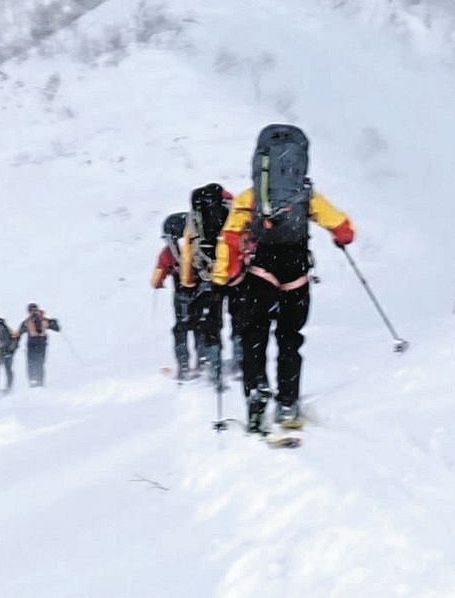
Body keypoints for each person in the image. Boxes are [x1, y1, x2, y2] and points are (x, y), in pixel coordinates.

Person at [212, 124, 354, 432]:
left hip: (261, 269)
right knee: (290, 338)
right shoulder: (306, 195)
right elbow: (343, 226)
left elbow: (230, 237)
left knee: (254, 335)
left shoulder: (249, 197)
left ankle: (256, 395)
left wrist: (222, 278)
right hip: (297, 269)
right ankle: (288, 401)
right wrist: (341, 236)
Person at [180, 184, 236, 385]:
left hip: (209, 276)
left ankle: (214, 366)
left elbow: (187, 254)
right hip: (235, 273)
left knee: (212, 320)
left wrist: (187, 283)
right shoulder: (233, 209)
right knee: (239, 318)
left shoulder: (194, 220)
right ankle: (240, 361)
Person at [152, 212, 201, 380]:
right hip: (202, 293)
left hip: (182, 296)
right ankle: (204, 363)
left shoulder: (167, 254)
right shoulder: (198, 248)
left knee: (181, 329)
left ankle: (184, 367)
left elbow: (156, 279)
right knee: (201, 327)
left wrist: (158, 283)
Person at [16, 302, 60, 387]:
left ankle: (33, 380)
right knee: (40, 363)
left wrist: (15, 344)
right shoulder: (43, 320)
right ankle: (40, 381)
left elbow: (19, 333)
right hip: (42, 344)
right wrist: (55, 323)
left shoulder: (27, 322)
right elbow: (56, 328)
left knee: (31, 363)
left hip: (31, 344)